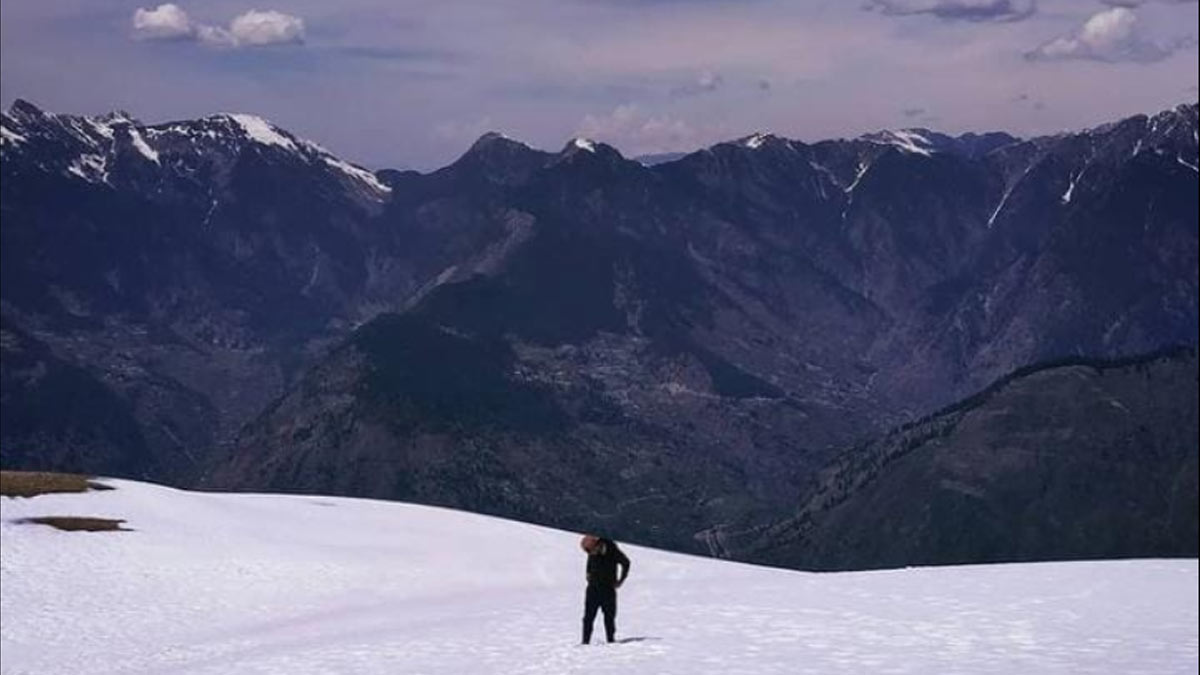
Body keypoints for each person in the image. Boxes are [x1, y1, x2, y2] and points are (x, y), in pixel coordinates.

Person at [580, 534, 630, 644]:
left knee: (609, 616)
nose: (590, 554)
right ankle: (585, 642)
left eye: (591, 551)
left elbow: (626, 563)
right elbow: (589, 563)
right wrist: (588, 573)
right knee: (588, 617)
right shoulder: (591, 550)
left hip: (608, 588)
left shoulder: (612, 550)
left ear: (597, 545)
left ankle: (610, 640)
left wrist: (621, 580)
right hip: (593, 588)